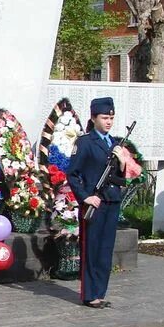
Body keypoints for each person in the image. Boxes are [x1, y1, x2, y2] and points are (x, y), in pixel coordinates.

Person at [67, 97, 128, 309]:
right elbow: (73, 174)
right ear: (93, 118)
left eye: (111, 117)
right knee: (91, 249)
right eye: (104, 117)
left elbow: (121, 178)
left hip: (112, 200)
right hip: (94, 203)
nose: (109, 121)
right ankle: (90, 294)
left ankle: (100, 293)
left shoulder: (115, 143)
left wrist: (121, 162)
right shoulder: (85, 143)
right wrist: (85, 197)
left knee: (105, 249)